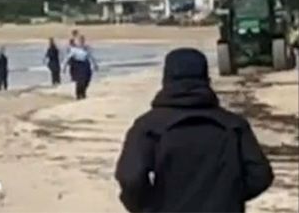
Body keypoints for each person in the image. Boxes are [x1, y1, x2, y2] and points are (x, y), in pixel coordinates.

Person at [115, 48, 274, 213]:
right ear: (206, 79)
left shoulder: (148, 126)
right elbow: (260, 175)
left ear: (166, 79)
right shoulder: (233, 125)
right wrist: (229, 196)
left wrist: (147, 207)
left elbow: (130, 178)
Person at [63, 35, 98, 100]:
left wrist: (95, 65)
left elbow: (91, 57)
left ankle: (83, 92)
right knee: (80, 81)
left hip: (85, 65)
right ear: (77, 42)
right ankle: (79, 94)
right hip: (78, 66)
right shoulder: (74, 49)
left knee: (87, 80)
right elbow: (67, 58)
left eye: (82, 40)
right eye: (80, 41)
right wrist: (64, 67)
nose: (81, 42)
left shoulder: (86, 49)